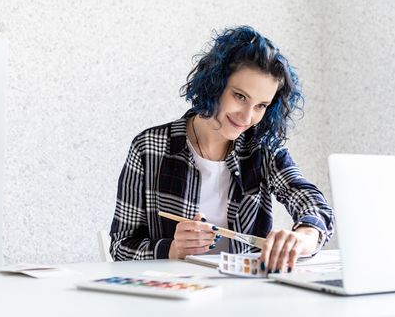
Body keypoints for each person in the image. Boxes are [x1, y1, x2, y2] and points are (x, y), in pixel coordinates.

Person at [110, 25, 334, 274]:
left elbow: (314, 205)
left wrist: (301, 239)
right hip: (172, 297)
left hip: (245, 296)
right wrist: (172, 249)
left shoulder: (263, 149)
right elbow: (121, 246)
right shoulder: (149, 147)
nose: (248, 117)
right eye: (240, 96)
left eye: (261, 105)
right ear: (214, 84)